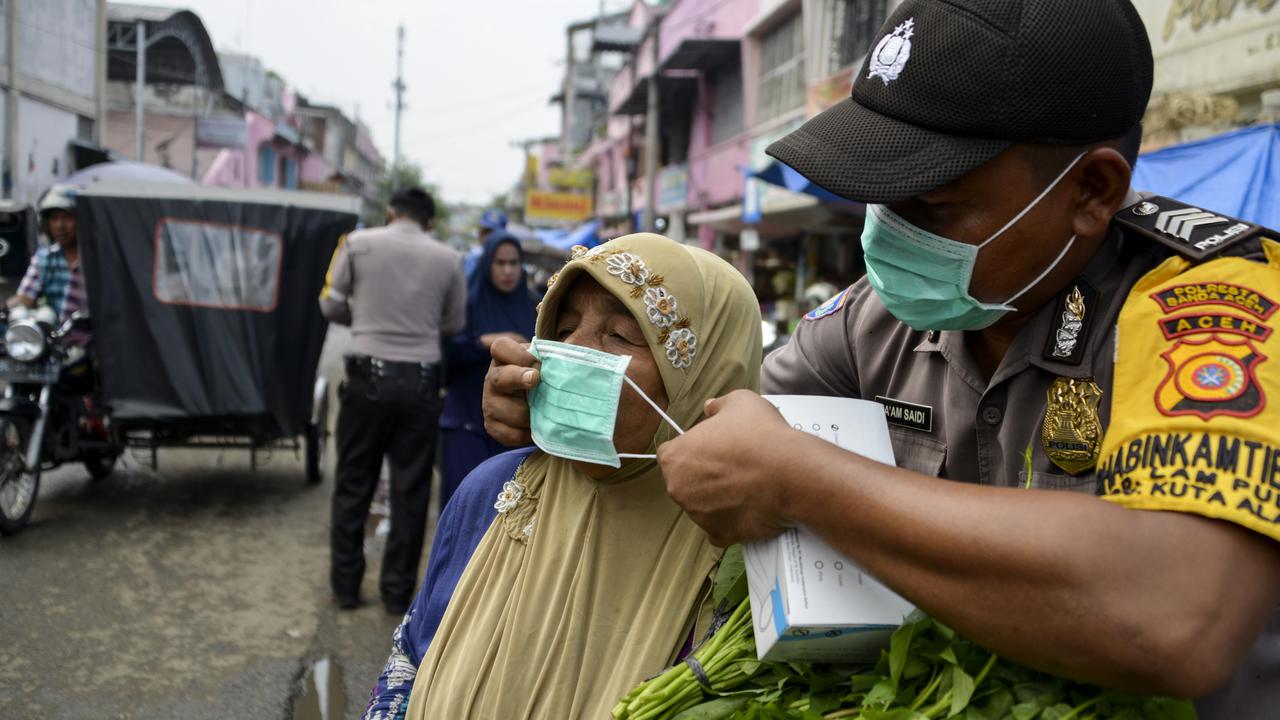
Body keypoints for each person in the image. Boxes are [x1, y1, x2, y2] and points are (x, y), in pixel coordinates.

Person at [479, 1, 1279, 717]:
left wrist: (802, 480)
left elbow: (1182, 614)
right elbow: (714, 443)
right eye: (877, 193)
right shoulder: (877, 318)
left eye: (933, 202)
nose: (889, 233)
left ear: (1092, 192)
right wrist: (573, 398)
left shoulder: (1218, 309)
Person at [361, 233, 761, 720]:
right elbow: (409, 660)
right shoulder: (494, 488)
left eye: (619, 335)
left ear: (706, 378)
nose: (571, 349)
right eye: (565, 327)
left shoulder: (743, 561)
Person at [319, 187, 466, 615]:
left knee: (353, 485)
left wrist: (363, 316)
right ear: (429, 222)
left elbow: (330, 305)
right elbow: (454, 323)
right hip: (420, 387)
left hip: (366, 383)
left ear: (389, 213)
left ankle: (346, 588)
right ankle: (397, 594)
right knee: (411, 493)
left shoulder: (356, 244)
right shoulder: (449, 258)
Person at [439, 230, 536, 512]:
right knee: (464, 507)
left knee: (506, 513)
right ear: (487, 265)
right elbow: (446, 351)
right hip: (466, 424)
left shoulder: (533, 305)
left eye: (513, 263)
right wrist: (485, 342)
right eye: (499, 263)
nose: (507, 270)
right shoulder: (467, 304)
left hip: (514, 431)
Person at [9, 184, 87, 322]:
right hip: (55, 332)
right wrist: (6, 307)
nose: (60, 225)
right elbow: (26, 297)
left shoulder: (96, 259)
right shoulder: (44, 258)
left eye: (67, 217)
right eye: (54, 218)